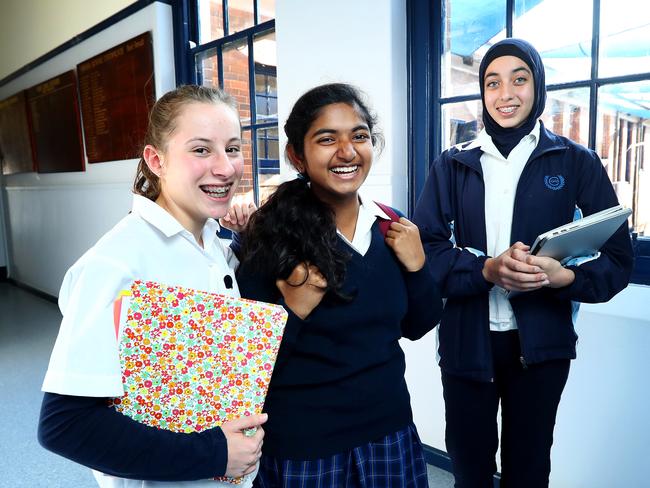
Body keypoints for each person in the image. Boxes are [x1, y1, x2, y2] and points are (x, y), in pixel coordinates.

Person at [412, 38, 634, 487]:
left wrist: (563, 277)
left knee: (529, 469)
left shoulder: (577, 162)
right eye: (492, 82)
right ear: (482, 92)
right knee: (470, 470)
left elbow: (617, 258)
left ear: (539, 87)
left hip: (541, 346)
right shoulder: (451, 165)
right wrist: (486, 271)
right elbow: (427, 253)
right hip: (466, 345)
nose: (505, 94)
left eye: (519, 79)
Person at [38, 85, 265, 488]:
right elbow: (65, 425)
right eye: (200, 150)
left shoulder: (214, 244)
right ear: (156, 160)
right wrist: (216, 453)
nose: (225, 168)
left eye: (232, 148)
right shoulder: (116, 263)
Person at [235, 82, 442, 488]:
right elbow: (248, 364)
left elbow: (418, 325)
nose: (347, 152)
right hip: (306, 446)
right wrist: (291, 309)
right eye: (327, 139)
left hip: (388, 431)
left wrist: (418, 268)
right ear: (298, 155)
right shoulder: (272, 235)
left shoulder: (392, 226)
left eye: (359, 136)